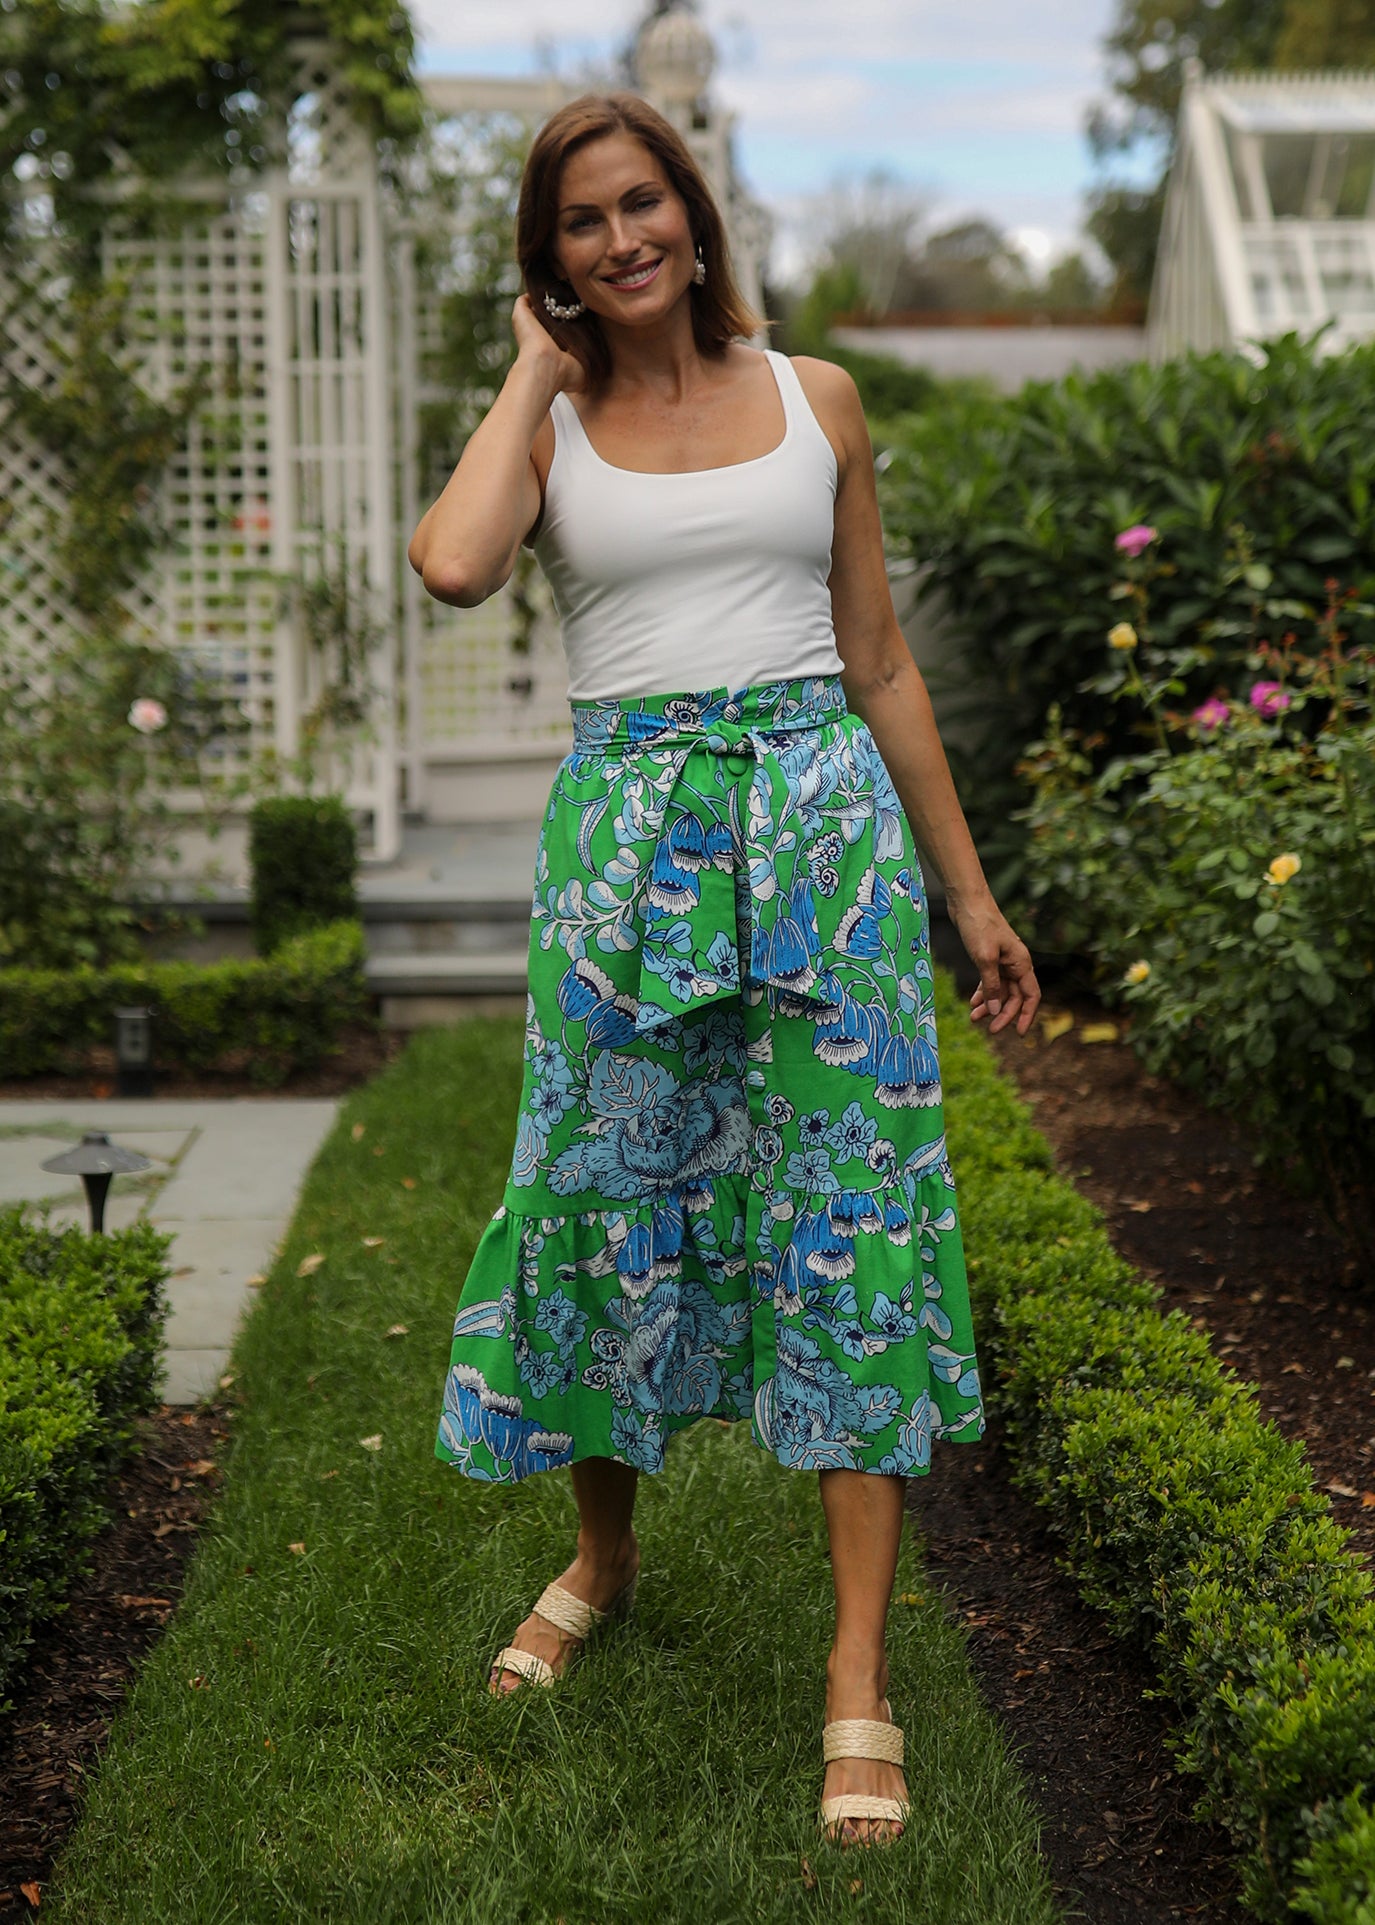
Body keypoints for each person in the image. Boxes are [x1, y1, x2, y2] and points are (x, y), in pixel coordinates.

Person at [409, 91, 1040, 1849]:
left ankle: (856, 1665)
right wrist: (531, 373)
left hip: (824, 849)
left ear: (693, 214)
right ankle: (603, 1554)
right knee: (604, 1196)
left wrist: (967, 896)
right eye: (582, 221)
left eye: (644, 203)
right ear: (550, 259)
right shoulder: (552, 426)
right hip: (628, 861)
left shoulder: (815, 398)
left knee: (851, 1204)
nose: (622, 239)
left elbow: (880, 659)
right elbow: (454, 564)